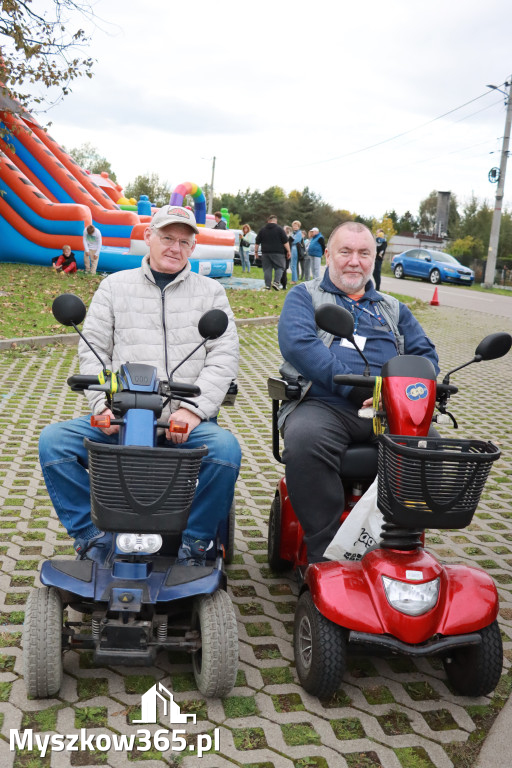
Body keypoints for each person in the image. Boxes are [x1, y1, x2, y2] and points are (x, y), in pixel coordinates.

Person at [39, 205, 241, 567]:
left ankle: (195, 545)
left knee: (225, 452)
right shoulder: (114, 287)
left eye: (184, 241)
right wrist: (102, 408)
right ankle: (92, 538)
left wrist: (192, 412)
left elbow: (222, 358)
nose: (175, 247)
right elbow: (93, 351)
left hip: (180, 421)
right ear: (149, 237)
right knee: (54, 444)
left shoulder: (211, 294)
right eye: (167, 237)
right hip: (122, 415)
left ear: (193, 247)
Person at [277, 221, 439, 563]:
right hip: (324, 404)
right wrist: (357, 390)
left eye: (364, 253)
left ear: (374, 258)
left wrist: (406, 393)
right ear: (328, 256)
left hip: (390, 408)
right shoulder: (304, 296)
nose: (355, 261)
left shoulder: (394, 308)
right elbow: (301, 347)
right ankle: (327, 552)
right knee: (306, 440)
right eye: (345, 252)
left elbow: (426, 356)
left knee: (431, 446)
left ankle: (400, 540)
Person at [254, 214, 291, 290]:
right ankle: (276, 282)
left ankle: (267, 285)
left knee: (267, 269)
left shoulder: (262, 229)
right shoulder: (280, 229)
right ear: (276, 221)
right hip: (278, 253)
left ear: (268, 221)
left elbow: (257, 242)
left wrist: (256, 252)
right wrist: (288, 251)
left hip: (265, 253)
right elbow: (285, 242)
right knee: (280, 267)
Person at [290, 220, 304, 284]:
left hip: (295, 249)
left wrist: (289, 241)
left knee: (293, 265)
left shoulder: (299, 233)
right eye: (294, 226)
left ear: (299, 227)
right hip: (291, 248)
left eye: (296, 226)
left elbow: (295, 241)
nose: (295, 227)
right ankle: (294, 278)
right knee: (291, 265)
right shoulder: (293, 233)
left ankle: (294, 280)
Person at [281, 225, 293, 290]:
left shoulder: (290, 239)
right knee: (282, 270)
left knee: (284, 270)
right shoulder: (284, 237)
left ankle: (284, 284)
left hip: (286, 255)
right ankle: (282, 283)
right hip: (283, 255)